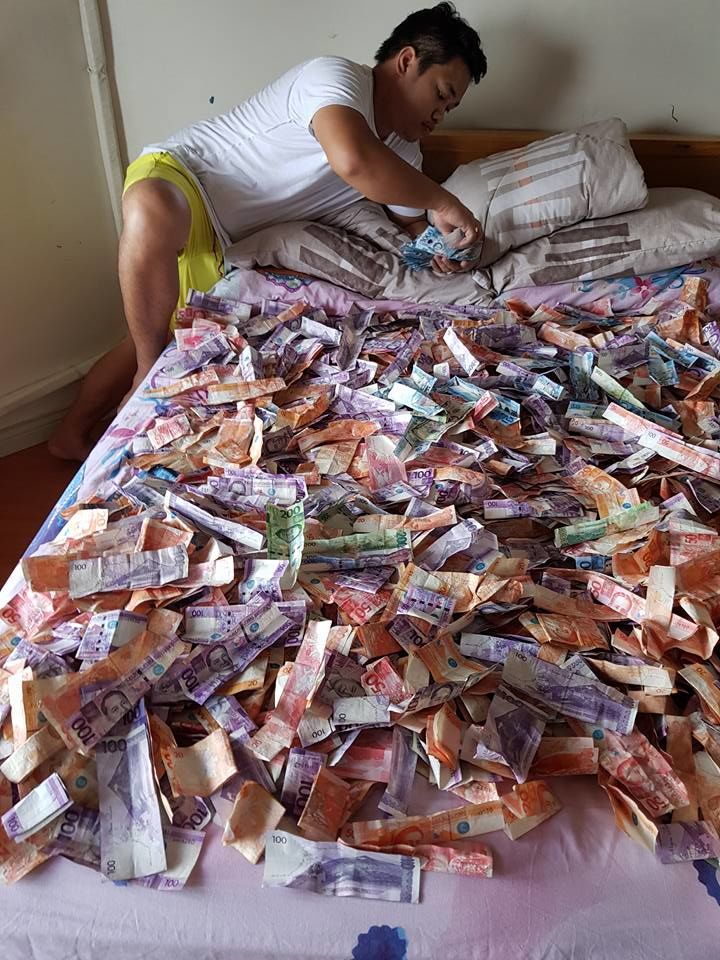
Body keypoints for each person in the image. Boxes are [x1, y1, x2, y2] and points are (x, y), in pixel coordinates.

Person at [49, 2, 487, 461]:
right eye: (440, 94)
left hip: (224, 242)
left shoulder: (404, 155)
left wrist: (436, 247)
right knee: (151, 209)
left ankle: (71, 434)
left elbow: (410, 220)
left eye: (450, 107)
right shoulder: (337, 78)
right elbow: (354, 160)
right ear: (406, 61)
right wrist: (443, 201)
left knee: (161, 327)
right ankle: (147, 373)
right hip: (189, 178)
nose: (440, 115)